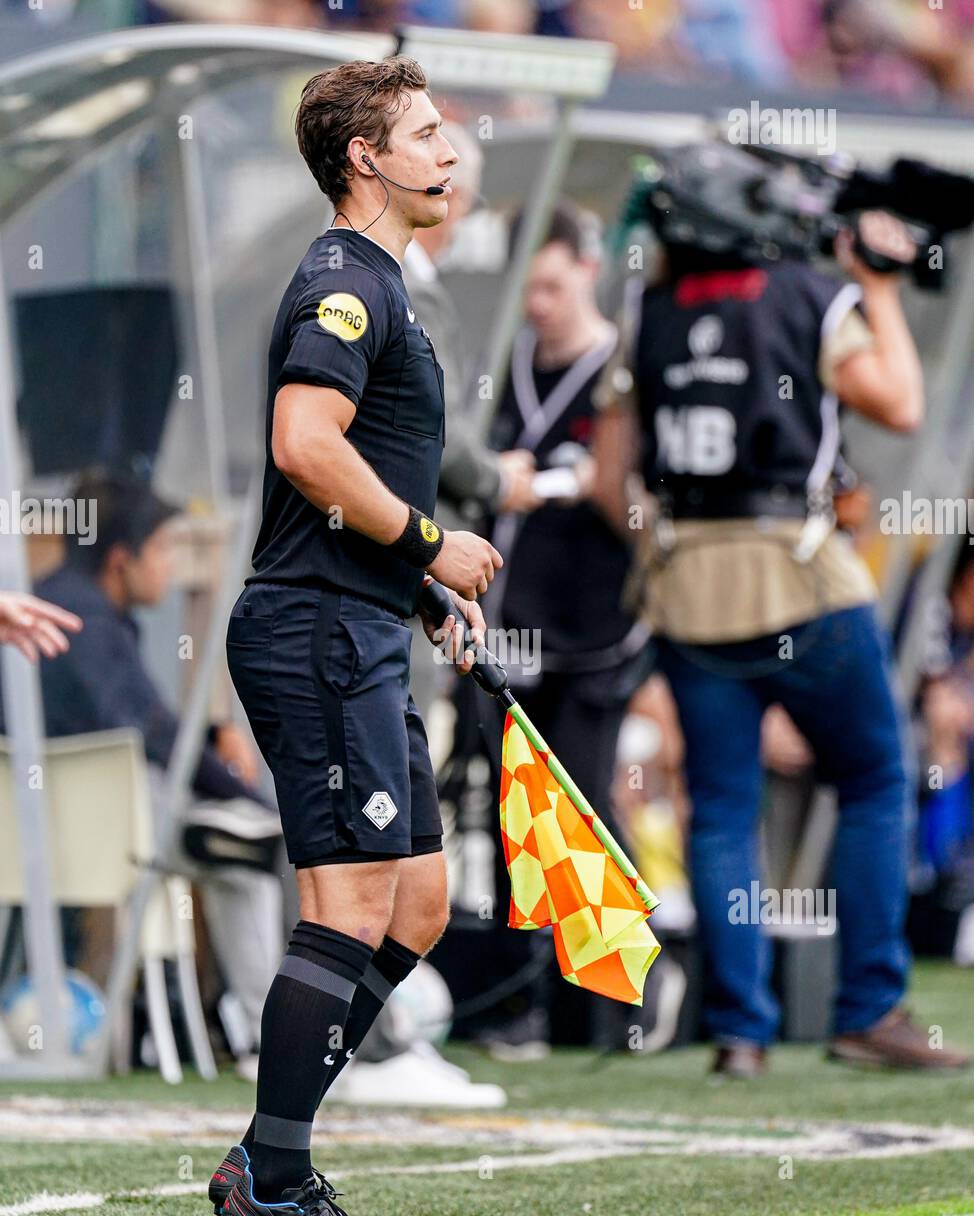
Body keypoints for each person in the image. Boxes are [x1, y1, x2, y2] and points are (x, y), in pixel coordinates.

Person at [212, 56, 504, 1216]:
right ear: (364, 159)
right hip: (313, 632)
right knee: (345, 904)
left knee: (419, 905)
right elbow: (301, 442)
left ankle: (262, 1154)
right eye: (426, 132)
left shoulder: (380, 283)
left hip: (360, 619)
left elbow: (350, 478)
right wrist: (434, 539)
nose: (450, 150)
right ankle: (276, 1178)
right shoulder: (344, 282)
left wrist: (414, 582)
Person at [594, 156, 970, 1078]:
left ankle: (741, 1033)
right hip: (800, 579)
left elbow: (612, 481)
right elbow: (902, 400)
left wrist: (672, 547)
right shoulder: (807, 293)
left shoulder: (652, 313)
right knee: (877, 779)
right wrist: (877, 285)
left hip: (687, 587)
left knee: (721, 809)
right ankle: (868, 1010)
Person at [11, 470, 286, 1077]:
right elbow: (154, 737)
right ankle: (274, 1035)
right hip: (113, 844)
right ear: (120, 559)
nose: (170, 565)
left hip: (21, 847)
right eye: (162, 549)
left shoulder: (36, 606)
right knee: (253, 844)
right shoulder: (91, 627)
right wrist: (257, 801)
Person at [471, 201, 650, 1055]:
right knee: (513, 821)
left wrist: (608, 491)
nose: (538, 303)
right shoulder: (507, 367)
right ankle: (519, 1005)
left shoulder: (622, 367)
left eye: (551, 283)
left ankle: (605, 1011)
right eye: (526, 287)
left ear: (586, 268)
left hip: (597, 628)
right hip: (511, 628)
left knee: (589, 813)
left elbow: (644, 501)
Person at [403, 119, 538, 724]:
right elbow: (440, 437)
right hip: (397, 573)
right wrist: (499, 481)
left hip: (404, 577)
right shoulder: (402, 288)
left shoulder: (389, 280)